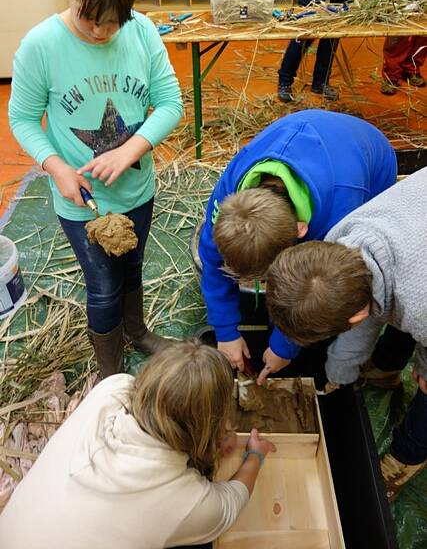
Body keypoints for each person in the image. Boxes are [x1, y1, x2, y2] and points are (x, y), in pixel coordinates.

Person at [8, 0, 183, 378]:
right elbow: (23, 120)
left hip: (136, 188)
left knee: (134, 266)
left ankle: (138, 332)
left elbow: (169, 102)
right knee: (104, 286)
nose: (102, 32)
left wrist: (132, 148)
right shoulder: (40, 46)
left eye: (114, 21)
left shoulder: (142, 31)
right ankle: (110, 371)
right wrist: (57, 167)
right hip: (81, 199)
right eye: (90, 19)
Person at [0, 339, 276, 548]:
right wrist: (254, 457)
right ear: (208, 426)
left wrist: (210, 439)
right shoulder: (186, 501)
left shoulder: (112, 389)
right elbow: (228, 506)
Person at [198, 109, 397, 383]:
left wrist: (284, 347)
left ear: (301, 232)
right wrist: (226, 331)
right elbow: (212, 260)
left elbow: (313, 290)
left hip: (369, 160)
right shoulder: (230, 194)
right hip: (317, 148)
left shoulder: (340, 217)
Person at [266, 168, 427, 499]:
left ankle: (408, 455)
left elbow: (388, 309)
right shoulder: (342, 240)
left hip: (418, 285)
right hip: (413, 238)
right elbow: (371, 308)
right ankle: (386, 368)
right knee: (398, 309)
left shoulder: (418, 302)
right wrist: (340, 370)